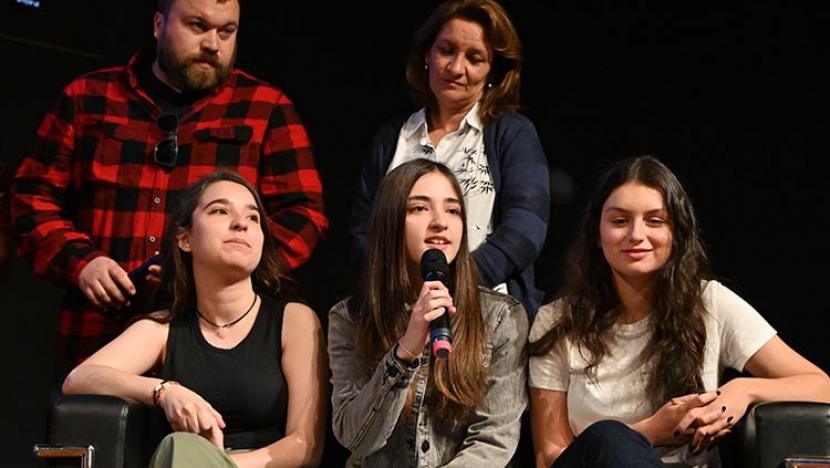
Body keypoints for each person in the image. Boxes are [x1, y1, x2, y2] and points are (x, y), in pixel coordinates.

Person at [12, 0, 328, 377]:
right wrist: (82, 263)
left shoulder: (265, 108)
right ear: (159, 23)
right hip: (99, 336)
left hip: (214, 342)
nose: (213, 43)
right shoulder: (88, 98)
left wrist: (212, 272)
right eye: (198, 26)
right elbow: (30, 198)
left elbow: (304, 215)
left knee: (203, 437)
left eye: (226, 32)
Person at [528, 156, 830, 467]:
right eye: (620, 221)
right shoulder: (558, 320)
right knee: (609, 438)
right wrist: (649, 432)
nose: (636, 234)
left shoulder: (709, 303)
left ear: (677, 232)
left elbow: (821, 385)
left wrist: (745, 389)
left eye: (655, 221)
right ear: (596, 233)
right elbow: (548, 457)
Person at [62, 171, 327, 467]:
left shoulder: (293, 320)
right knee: (180, 445)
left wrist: (217, 464)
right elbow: (79, 379)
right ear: (185, 238)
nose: (241, 223)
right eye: (220, 210)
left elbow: (305, 446)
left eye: (253, 218)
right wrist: (165, 391)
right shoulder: (164, 328)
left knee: (184, 447)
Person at [350, 0, 549, 318]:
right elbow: (364, 231)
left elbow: (526, 229)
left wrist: (455, 286)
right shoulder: (393, 136)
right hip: (397, 312)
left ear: (492, 71)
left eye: (475, 58)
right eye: (447, 50)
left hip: (485, 313)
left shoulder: (511, 133)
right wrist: (401, 291)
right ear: (427, 54)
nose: (457, 68)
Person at [329, 159, 528, 467]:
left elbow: (493, 439)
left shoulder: (500, 317)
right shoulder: (350, 318)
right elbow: (355, 438)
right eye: (419, 209)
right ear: (389, 222)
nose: (440, 222)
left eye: (452, 210)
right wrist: (406, 351)